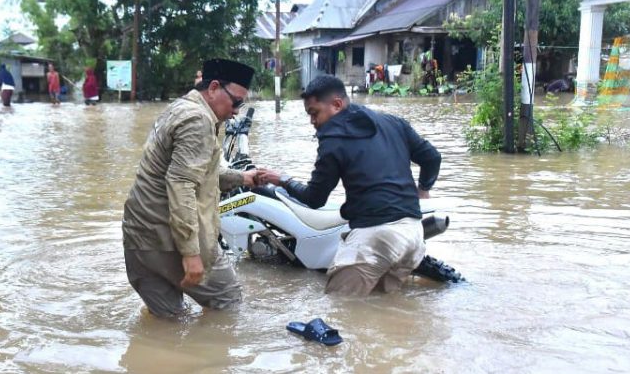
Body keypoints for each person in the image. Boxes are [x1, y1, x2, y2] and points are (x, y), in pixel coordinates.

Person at [256, 75, 441, 297]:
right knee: (382, 311)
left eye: (314, 113)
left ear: (336, 104)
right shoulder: (392, 122)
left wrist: (283, 179)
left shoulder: (333, 138)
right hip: (413, 235)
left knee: (339, 311)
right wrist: (423, 190)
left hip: (376, 237)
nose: (312, 121)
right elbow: (432, 157)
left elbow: (315, 198)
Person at [122, 58, 258, 318]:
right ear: (215, 88)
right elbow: (182, 184)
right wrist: (192, 253)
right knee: (228, 304)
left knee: (170, 324)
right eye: (236, 102)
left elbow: (201, 172)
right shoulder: (198, 120)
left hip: (139, 238)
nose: (237, 111)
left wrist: (244, 178)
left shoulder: (180, 108)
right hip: (167, 240)